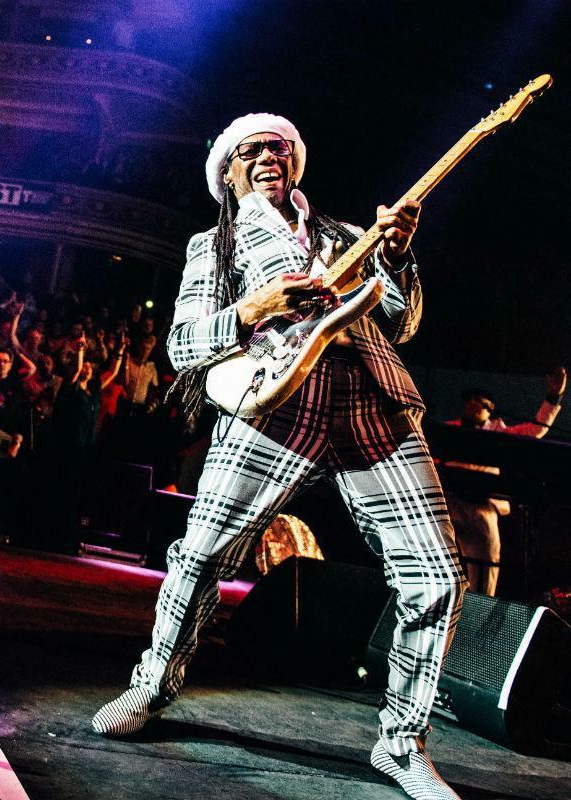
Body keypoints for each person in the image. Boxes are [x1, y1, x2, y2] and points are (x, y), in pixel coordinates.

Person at [91, 113, 466, 800]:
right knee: (201, 556)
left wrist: (398, 258)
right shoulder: (216, 244)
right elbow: (181, 347)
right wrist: (255, 305)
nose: (269, 154)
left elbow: (402, 324)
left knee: (436, 575)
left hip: (371, 405)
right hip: (273, 404)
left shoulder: (349, 236)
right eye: (252, 149)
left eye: (279, 147)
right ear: (227, 173)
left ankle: (402, 742)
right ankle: (151, 686)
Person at [444, 368, 565, 596]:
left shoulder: (499, 433)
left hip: (482, 506)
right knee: (435, 554)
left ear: (489, 409)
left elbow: (535, 430)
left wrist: (553, 397)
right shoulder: (449, 430)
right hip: (450, 503)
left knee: (487, 561)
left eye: (478, 402)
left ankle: (481, 603)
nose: (471, 404)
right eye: (468, 401)